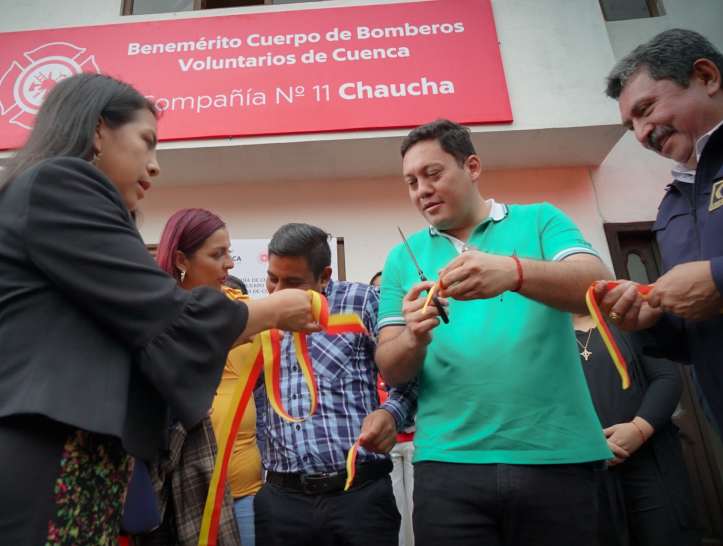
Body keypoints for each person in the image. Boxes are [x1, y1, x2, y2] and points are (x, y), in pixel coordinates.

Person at [0, 74, 319, 546]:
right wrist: (273, 311)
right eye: (147, 142)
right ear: (98, 130)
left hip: (77, 470)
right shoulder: (61, 181)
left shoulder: (41, 198)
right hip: (36, 464)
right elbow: (164, 319)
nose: (156, 166)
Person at [376, 119, 614, 545]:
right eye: (411, 182)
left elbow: (597, 286)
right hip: (447, 467)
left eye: (433, 174)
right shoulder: (400, 257)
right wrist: (414, 336)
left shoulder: (541, 219)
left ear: (472, 167)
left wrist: (515, 272)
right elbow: (392, 371)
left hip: (556, 456)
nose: (422, 190)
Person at [254, 223, 416, 546]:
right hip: (281, 502)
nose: (278, 291)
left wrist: (391, 413)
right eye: (273, 278)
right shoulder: (256, 316)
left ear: (325, 276)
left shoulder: (364, 302)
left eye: (293, 282)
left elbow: (409, 374)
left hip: (359, 497)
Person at [594, 29, 723, 433]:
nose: (641, 134)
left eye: (646, 109)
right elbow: (694, 339)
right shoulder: (672, 203)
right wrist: (653, 319)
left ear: (706, 77)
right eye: (631, 124)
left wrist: (718, 279)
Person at [152, 207, 258, 546]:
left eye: (230, 252)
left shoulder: (243, 309)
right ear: (182, 260)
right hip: (181, 491)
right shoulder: (153, 321)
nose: (230, 263)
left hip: (245, 492)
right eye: (218, 254)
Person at [572, 313, 701, 545]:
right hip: (585, 472)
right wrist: (588, 442)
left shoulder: (625, 319)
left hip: (649, 461)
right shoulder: (544, 336)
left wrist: (639, 429)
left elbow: (666, 378)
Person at [370, 271, 415, 546]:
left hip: (416, 438)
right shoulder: (367, 336)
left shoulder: (412, 330)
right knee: (395, 511)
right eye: (376, 291)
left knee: (418, 508)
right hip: (384, 443)